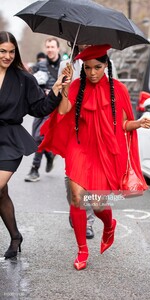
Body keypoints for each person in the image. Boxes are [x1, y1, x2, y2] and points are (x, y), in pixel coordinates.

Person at [38, 44, 150, 271]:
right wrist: (64, 84)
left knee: (99, 205)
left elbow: (123, 124)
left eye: (98, 67)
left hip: (103, 150)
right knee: (77, 196)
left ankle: (109, 225)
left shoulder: (118, 89)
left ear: (106, 66)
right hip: (79, 146)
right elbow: (62, 111)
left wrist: (138, 124)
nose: (92, 73)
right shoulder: (76, 86)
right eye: (88, 68)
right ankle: (82, 249)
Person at [0, 31, 66, 259]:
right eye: (2, 51)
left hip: (9, 139)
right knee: (1, 194)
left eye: (11, 51)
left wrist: (57, 89)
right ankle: (16, 236)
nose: (7, 56)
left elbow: (39, 108)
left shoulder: (23, 78)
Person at [59, 44, 118, 239]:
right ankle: (76, 208)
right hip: (75, 134)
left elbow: (111, 96)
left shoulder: (105, 62)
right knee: (74, 189)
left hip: (98, 134)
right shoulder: (66, 64)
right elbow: (63, 107)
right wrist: (65, 83)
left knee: (93, 195)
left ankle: (88, 222)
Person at [24, 37, 62, 182]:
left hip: (55, 107)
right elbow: (32, 83)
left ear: (58, 48)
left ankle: (34, 169)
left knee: (39, 136)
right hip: (41, 105)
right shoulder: (40, 65)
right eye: (48, 47)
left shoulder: (65, 66)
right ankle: (49, 155)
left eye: (52, 47)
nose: (50, 49)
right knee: (36, 137)